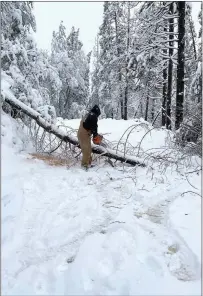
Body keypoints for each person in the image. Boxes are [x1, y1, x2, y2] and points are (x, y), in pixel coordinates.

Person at [77, 105, 102, 169]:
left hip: (82, 133)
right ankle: (84, 166)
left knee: (88, 149)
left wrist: (94, 135)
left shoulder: (88, 114)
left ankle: (88, 163)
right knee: (86, 150)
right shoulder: (93, 116)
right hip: (84, 134)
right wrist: (95, 136)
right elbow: (94, 127)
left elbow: (90, 125)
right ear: (97, 112)